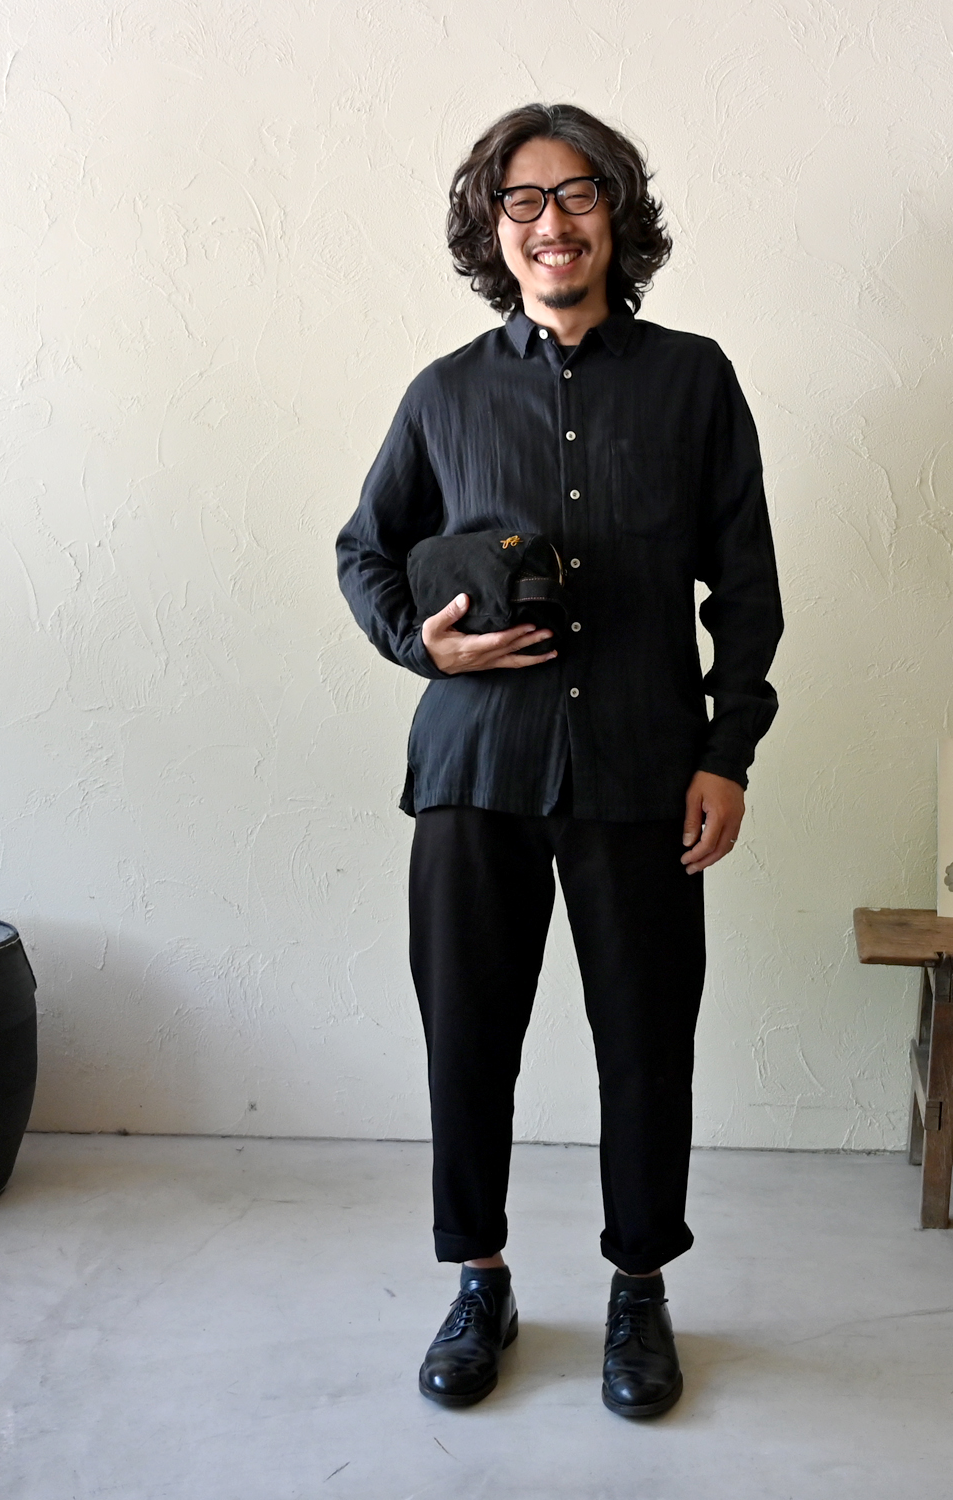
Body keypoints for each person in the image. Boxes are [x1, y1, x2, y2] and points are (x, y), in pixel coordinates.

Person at [336, 103, 783, 1419]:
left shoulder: (694, 381)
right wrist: (421, 645)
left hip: (643, 770)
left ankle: (639, 1288)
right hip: (474, 772)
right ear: (494, 230)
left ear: (615, 215)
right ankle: (478, 1281)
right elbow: (365, 551)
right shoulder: (444, 394)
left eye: (577, 194)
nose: (552, 223)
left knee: (646, 1040)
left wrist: (728, 753)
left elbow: (746, 589)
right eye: (522, 201)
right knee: (467, 1036)